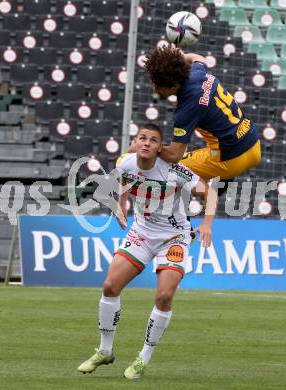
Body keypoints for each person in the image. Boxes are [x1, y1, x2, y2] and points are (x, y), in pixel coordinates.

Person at [77, 123, 217, 380]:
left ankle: (143, 358)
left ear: (159, 147)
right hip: (141, 233)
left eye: (153, 140)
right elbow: (121, 179)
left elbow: (210, 192)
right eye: (142, 138)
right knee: (110, 286)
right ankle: (105, 351)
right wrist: (120, 204)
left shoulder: (174, 170)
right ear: (135, 141)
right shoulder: (126, 162)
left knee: (164, 297)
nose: (146, 143)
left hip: (174, 237)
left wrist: (206, 224)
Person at [143, 45, 261, 187]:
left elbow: (174, 155)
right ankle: (210, 195)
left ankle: (199, 203)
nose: (155, 89)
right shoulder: (197, 71)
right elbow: (198, 57)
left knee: (166, 167)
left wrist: (147, 146)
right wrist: (177, 59)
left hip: (231, 159)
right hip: (253, 142)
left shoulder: (186, 109)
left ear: (173, 84)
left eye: (158, 85)